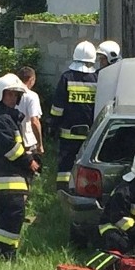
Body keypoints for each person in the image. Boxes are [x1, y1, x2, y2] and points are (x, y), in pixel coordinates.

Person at [0, 73, 41, 260]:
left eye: (16, 95)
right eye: (10, 94)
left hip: (3, 177)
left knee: (4, 218)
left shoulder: (2, 116)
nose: (13, 98)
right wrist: (30, 162)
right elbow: (11, 149)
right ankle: (7, 254)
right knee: (14, 215)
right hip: (7, 178)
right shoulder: (1, 119)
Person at [50, 41, 98, 190]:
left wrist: (53, 126)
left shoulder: (66, 77)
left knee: (65, 165)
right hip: (90, 135)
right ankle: (82, 190)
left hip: (68, 134)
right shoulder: (97, 79)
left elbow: (57, 108)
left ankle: (62, 192)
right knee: (87, 165)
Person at [16, 66, 44, 156]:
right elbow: (34, 121)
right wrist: (40, 144)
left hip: (11, 138)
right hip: (26, 141)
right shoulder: (31, 96)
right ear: (31, 79)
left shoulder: (10, 93)